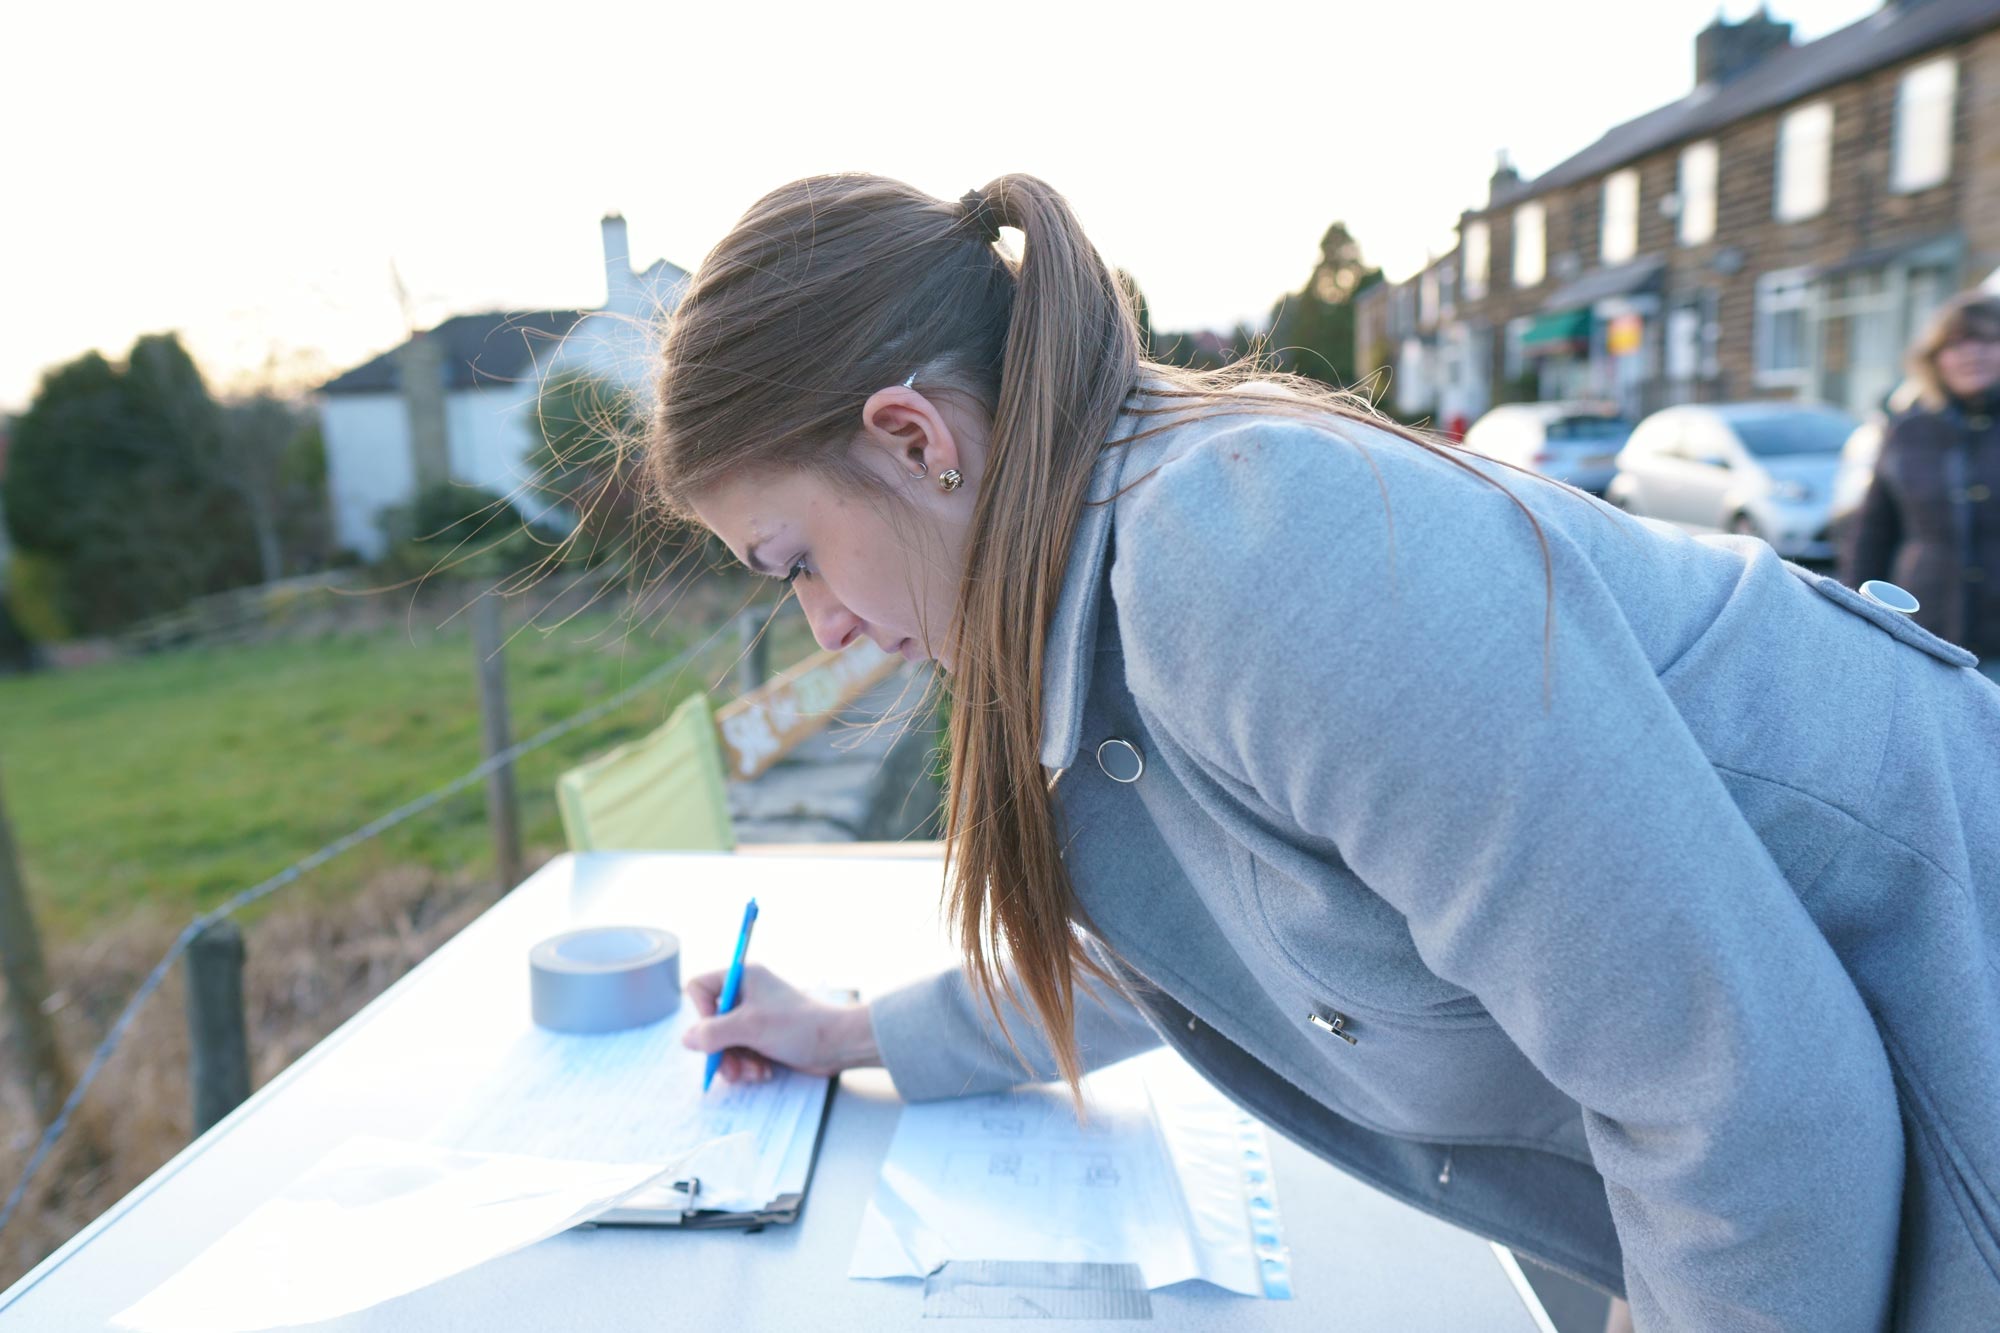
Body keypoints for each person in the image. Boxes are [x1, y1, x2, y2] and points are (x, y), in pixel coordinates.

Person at [651, 173, 2000, 1330]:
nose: (822, 628)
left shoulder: (1242, 556)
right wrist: (849, 1031)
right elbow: (1208, 935)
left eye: (797, 563)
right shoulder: (1118, 570)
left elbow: (1746, 1103)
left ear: (913, 438)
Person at [1842, 291, 2000, 684]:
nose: (1971, 355)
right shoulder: (1907, 430)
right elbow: (1874, 531)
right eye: (1955, 345)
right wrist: (1848, 611)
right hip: (1925, 630)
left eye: (1986, 341)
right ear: (1934, 359)